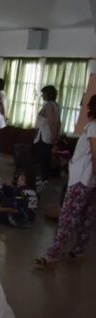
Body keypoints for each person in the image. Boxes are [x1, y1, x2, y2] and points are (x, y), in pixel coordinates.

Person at [36, 95, 96, 266]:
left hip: (81, 181)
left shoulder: (93, 127)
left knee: (67, 217)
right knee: (85, 217)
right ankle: (79, 250)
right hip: (89, 181)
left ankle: (53, 254)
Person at [34, 85, 61, 181]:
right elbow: (59, 122)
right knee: (46, 157)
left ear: (47, 94)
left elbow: (52, 121)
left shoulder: (48, 105)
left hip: (44, 136)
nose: (42, 95)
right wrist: (57, 134)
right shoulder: (56, 105)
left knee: (43, 157)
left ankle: (43, 178)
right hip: (48, 135)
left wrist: (54, 135)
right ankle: (45, 176)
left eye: (43, 93)